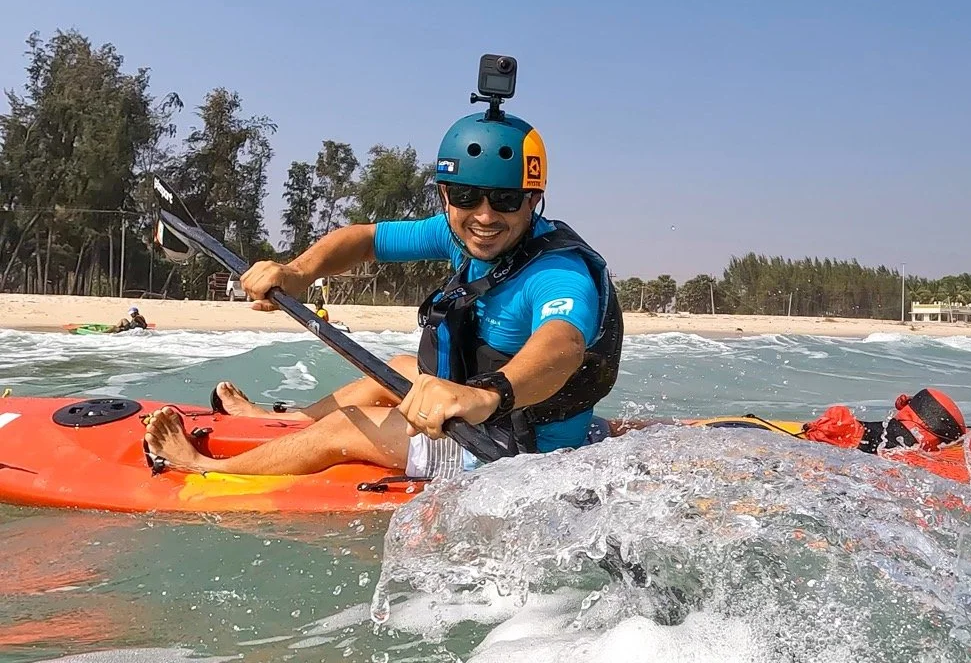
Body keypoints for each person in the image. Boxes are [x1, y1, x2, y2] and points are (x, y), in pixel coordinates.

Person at [142, 100, 623, 478]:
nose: (484, 216)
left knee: (346, 428)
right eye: (465, 197)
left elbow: (563, 343)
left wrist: (487, 395)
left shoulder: (558, 271)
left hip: (514, 452)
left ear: (534, 200)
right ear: (444, 195)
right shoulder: (461, 235)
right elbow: (365, 240)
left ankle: (206, 468)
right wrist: (297, 272)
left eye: (506, 199)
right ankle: (286, 420)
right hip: (480, 415)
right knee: (397, 369)